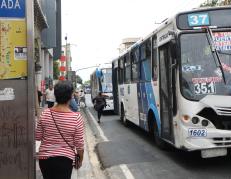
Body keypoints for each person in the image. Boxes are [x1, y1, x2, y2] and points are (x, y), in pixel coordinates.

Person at [36, 81, 84, 179]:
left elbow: (38, 136)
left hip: (44, 159)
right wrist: (80, 161)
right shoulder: (76, 118)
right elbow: (79, 146)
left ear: (55, 95)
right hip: (65, 160)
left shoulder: (45, 114)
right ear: (71, 96)